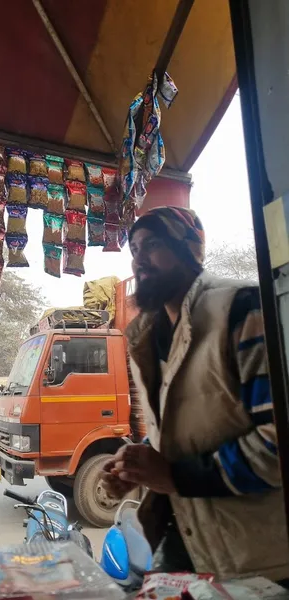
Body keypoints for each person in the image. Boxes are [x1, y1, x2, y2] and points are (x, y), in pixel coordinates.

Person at [102, 206, 289, 583]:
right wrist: (140, 462)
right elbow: (188, 425)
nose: (140, 259)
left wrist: (173, 475)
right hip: (184, 539)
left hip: (254, 561)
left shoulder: (239, 309)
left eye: (153, 244)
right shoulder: (148, 335)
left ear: (190, 250)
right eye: (134, 249)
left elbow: (277, 443)